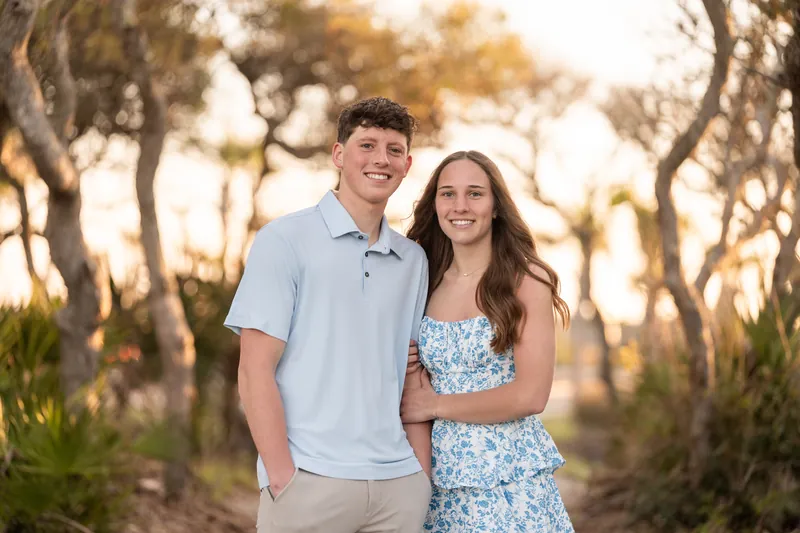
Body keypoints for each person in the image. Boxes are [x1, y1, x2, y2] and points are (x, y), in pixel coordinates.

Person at [224, 96, 432, 533]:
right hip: (309, 483)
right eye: (367, 145)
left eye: (394, 149)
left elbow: (411, 374)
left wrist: (420, 479)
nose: (382, 159)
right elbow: (254, 370)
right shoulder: (284, 239)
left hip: (398, 487)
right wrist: (283, 477)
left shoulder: (412, 260)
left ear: (407, 164)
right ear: (339, 154)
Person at [401, 150, 574, 532]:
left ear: (496, 206)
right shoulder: (422, 280)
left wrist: (433, 404)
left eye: (475, 193)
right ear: (435, 204)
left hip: (509, 484)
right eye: (447, 193)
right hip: (439, 484)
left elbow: (531, 395)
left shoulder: (526, 279)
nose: (460, 205)